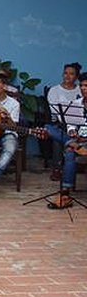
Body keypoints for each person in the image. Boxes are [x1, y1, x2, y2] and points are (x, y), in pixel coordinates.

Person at [51, 72, 87, 209]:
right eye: (82, 85)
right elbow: (71, 123)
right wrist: (72, 132)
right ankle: (65, 195)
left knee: (70, 150)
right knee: (49, 128)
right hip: (77, 140)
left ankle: (65, 193)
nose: (83, 88)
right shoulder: (76, 104)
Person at [44, 63, 81, 180]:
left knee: (58, 138)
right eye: (65, 73)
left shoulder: (82, 90)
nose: (67, 76)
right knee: (52, 131)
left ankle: (60, 167)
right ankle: (58, 168)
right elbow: (55, 113)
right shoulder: (54, 90)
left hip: (79, 125)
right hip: (60, 123)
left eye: (71, 74)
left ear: (76, 77)